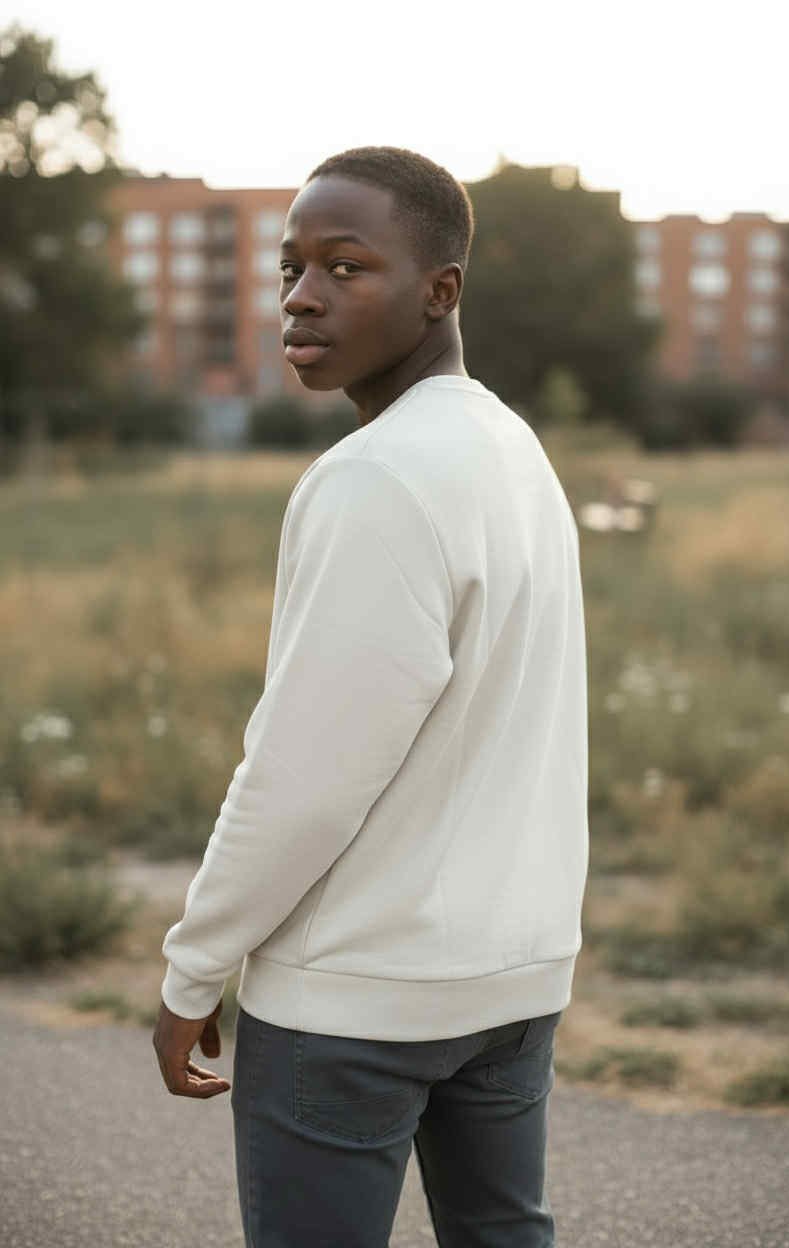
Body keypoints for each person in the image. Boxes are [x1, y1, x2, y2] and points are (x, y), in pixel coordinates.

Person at [153, 145, 589, 1247]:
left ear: (440, 291)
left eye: (344, 268)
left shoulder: (372, 478)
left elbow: (303, 779)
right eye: (291, 267)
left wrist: (193, 968)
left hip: (355, 1001)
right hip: (510, 980)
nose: (301, 296)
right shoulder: (511, 447)